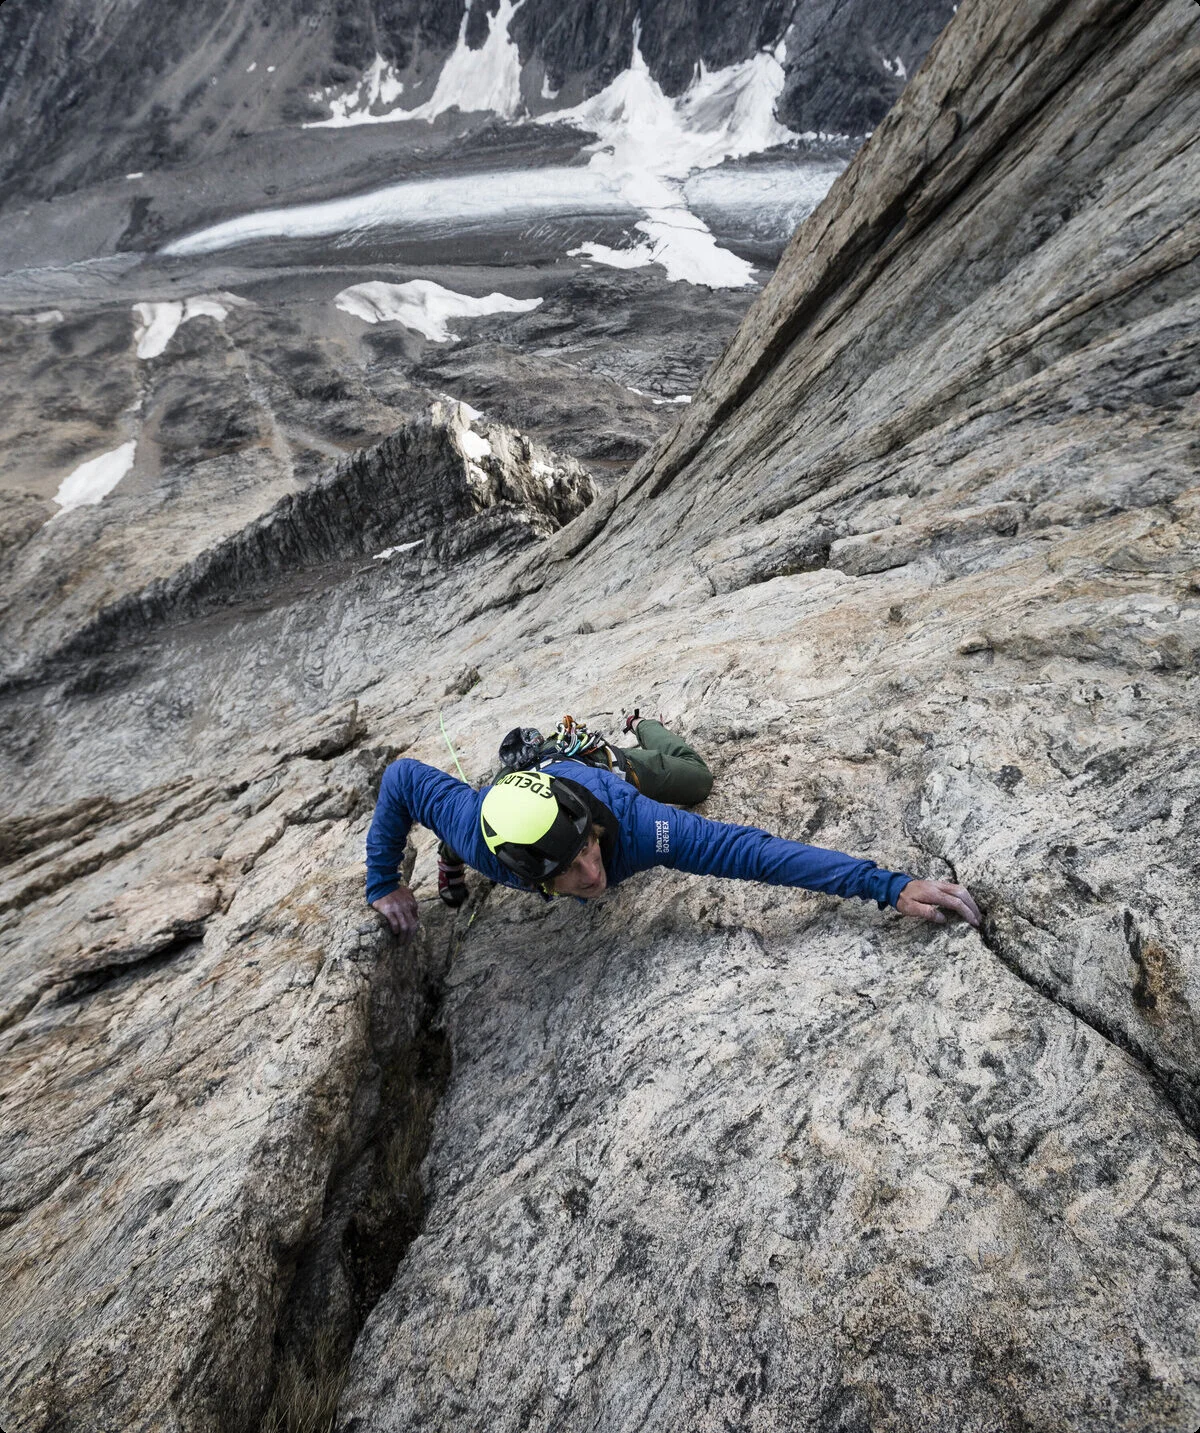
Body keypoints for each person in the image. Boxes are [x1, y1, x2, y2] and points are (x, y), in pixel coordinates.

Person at [366, 715, 981, 942]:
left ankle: (645, 723)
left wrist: (886, 885)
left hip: (608, 769)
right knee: (460, 822)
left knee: (695, 780)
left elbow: (753, 853)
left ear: (593, 830)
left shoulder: (636, 827)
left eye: (588, 850)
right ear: (525, 871)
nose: (595, 874)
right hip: (489, 819)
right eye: (568, 871)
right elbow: (399, 781)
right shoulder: (482, 836)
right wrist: (382, 881)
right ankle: (450, 850)